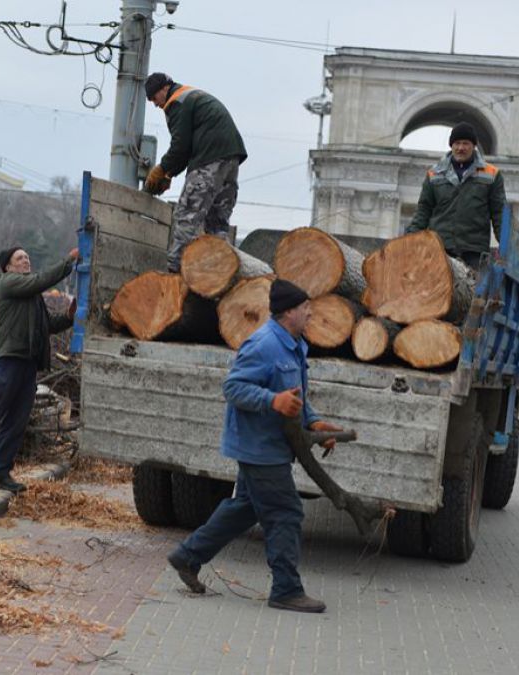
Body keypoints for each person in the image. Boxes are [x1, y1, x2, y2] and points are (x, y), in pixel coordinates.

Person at [166, 279, 344, 614]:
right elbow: (233, 388)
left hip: (271, 445)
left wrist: (315, 422)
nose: (310, 312)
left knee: (246, 508)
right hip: (258, 447)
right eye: (306, 307)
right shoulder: (262, 344)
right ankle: (286, 590)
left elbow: (295, 397)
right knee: (287, 512)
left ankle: (187, 557)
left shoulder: (294, 344)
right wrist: (271, 401)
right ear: (289, 311)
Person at [0, 246, 79, 493]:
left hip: (27, 365)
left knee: (16, 422)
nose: (26, 261)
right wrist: (68, 262)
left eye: (27, 257)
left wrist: (68, 316)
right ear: (8, 268)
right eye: (19, 258)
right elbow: (41, 281)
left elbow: (47, 325)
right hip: (8, 362)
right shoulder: (9, 284)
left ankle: (1, 474)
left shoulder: (32, 297)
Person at [141, 72, 248, 273]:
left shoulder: (177, 103)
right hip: (231, 158)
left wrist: (162, 169)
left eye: (154, 98)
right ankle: (217, 273)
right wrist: (169, 173)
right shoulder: (191, 96)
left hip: (210, 158)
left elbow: (180, 147)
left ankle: (174, 272)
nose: (155, 104)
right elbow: (186, 150)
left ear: (164, 89)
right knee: (217, 222)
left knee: (186, 214)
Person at [407, 121, 507, 269]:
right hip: (440, 248)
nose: (461, 148)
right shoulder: (434, 174)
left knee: (472, 290)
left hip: (474, 251)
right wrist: (408, 240)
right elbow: (423, 211)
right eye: (457, 143)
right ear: (451, 146)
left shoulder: (492, 174)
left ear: (474, 146)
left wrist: (506, 247)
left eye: (465, 143)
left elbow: (499, 214)